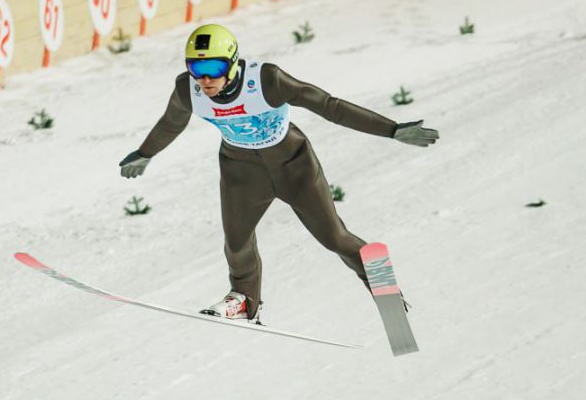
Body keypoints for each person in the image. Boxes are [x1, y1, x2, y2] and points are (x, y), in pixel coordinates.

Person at [118, 24, 439, 324]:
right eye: (195, 68)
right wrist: (145, 153)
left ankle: (384, 288)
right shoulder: (188, 90)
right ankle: (244, 301)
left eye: (213, 68)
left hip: (293, 166)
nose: (205, 80)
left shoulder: (266, 81)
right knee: (236, 244)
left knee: (335, 237)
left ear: (232, 63)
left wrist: (392, 130)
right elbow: (171, 123)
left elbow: (329, 106)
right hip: (241, 171)